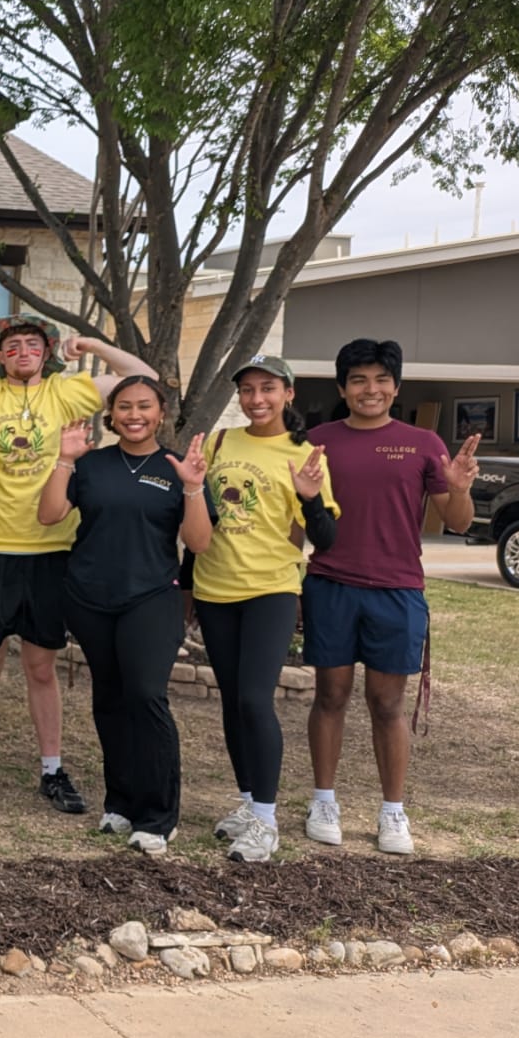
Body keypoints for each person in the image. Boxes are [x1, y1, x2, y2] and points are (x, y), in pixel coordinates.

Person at [0, 316, 154, 813]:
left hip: (51, 549)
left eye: (33, 344)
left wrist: (95, 342)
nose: (22, 352)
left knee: (40, 666)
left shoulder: (65, 391)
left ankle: (53, 770)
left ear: (48, 352)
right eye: (11, 346)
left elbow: (143, 379)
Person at [304, 338, 479, 855]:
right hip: (331, 584)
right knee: (330, 696)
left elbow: (457, 521)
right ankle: (323, 800)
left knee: (387, 702)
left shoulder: (423, 443)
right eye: (358, 380)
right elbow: (297, 517)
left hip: (398, 590)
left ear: (395, 387)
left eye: (381, 379)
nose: (370, 389)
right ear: (342, 387)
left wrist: (460, 487)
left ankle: (393, 812)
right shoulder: (316, 441)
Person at [37, 377, 214, 855]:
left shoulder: (177, 467)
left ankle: (158, 813)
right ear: (111, 415)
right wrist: (64, 460)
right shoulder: (91, 464)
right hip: (90, 597)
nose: (134, 415)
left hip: (151, 597)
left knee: (145, 695)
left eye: (145, 406)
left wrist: (194, 489)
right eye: (124, 407)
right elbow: (49, 514)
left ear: (161, 413)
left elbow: (199, 543)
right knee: (110, 698)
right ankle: (119, 801)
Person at [196, 354, 340, 864]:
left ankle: (266, 819)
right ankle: (245, 800)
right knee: (233, 701)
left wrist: (310, 498)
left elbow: (324, 538)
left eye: (268, 389)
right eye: (248, 390)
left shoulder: (304, 454)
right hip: (214, 588)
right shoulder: (219, 443)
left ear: (289, 393)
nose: (257, 399)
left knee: (256, 700)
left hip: (271, 590)